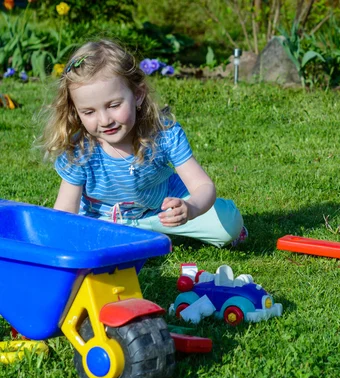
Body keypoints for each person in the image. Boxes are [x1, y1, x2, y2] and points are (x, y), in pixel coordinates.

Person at [41, 39, 246, 248]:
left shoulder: (163, 134)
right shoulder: (80, 149)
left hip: (161, 213)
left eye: (114, 105)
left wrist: (190, 207)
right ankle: (128, 236)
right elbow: (66, 209)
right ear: (76, 111)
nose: (104, 120)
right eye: (89, 112)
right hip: (103, 220)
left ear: (137, 95)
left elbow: (203, 185)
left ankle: (139, 234)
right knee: (70, 231)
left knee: (228, 224)